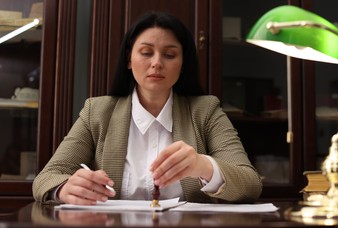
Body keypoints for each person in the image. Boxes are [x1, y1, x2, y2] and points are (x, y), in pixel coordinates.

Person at [32, 11, 262, 205]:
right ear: (129, 59)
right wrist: (64, 189)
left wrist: (203, 166)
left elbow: (250, 184)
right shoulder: (97, 112)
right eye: (146, 52)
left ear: (183, 64)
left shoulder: (206, 110)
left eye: (170, 54)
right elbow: (46, 178)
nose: (157, 63)